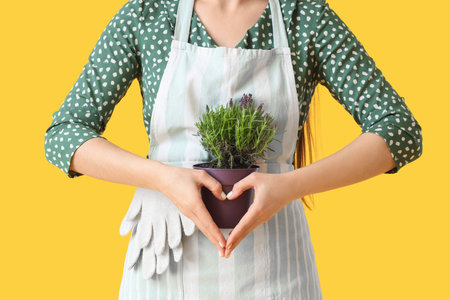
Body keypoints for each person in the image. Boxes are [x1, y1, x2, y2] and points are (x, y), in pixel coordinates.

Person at [43, 0, 423, 299]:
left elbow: (399, 130)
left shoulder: (305, 17)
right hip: (164, 268)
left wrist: (290, 185)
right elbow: (65, 135)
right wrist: (163, 177)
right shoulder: (147, 15)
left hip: (277, 274)